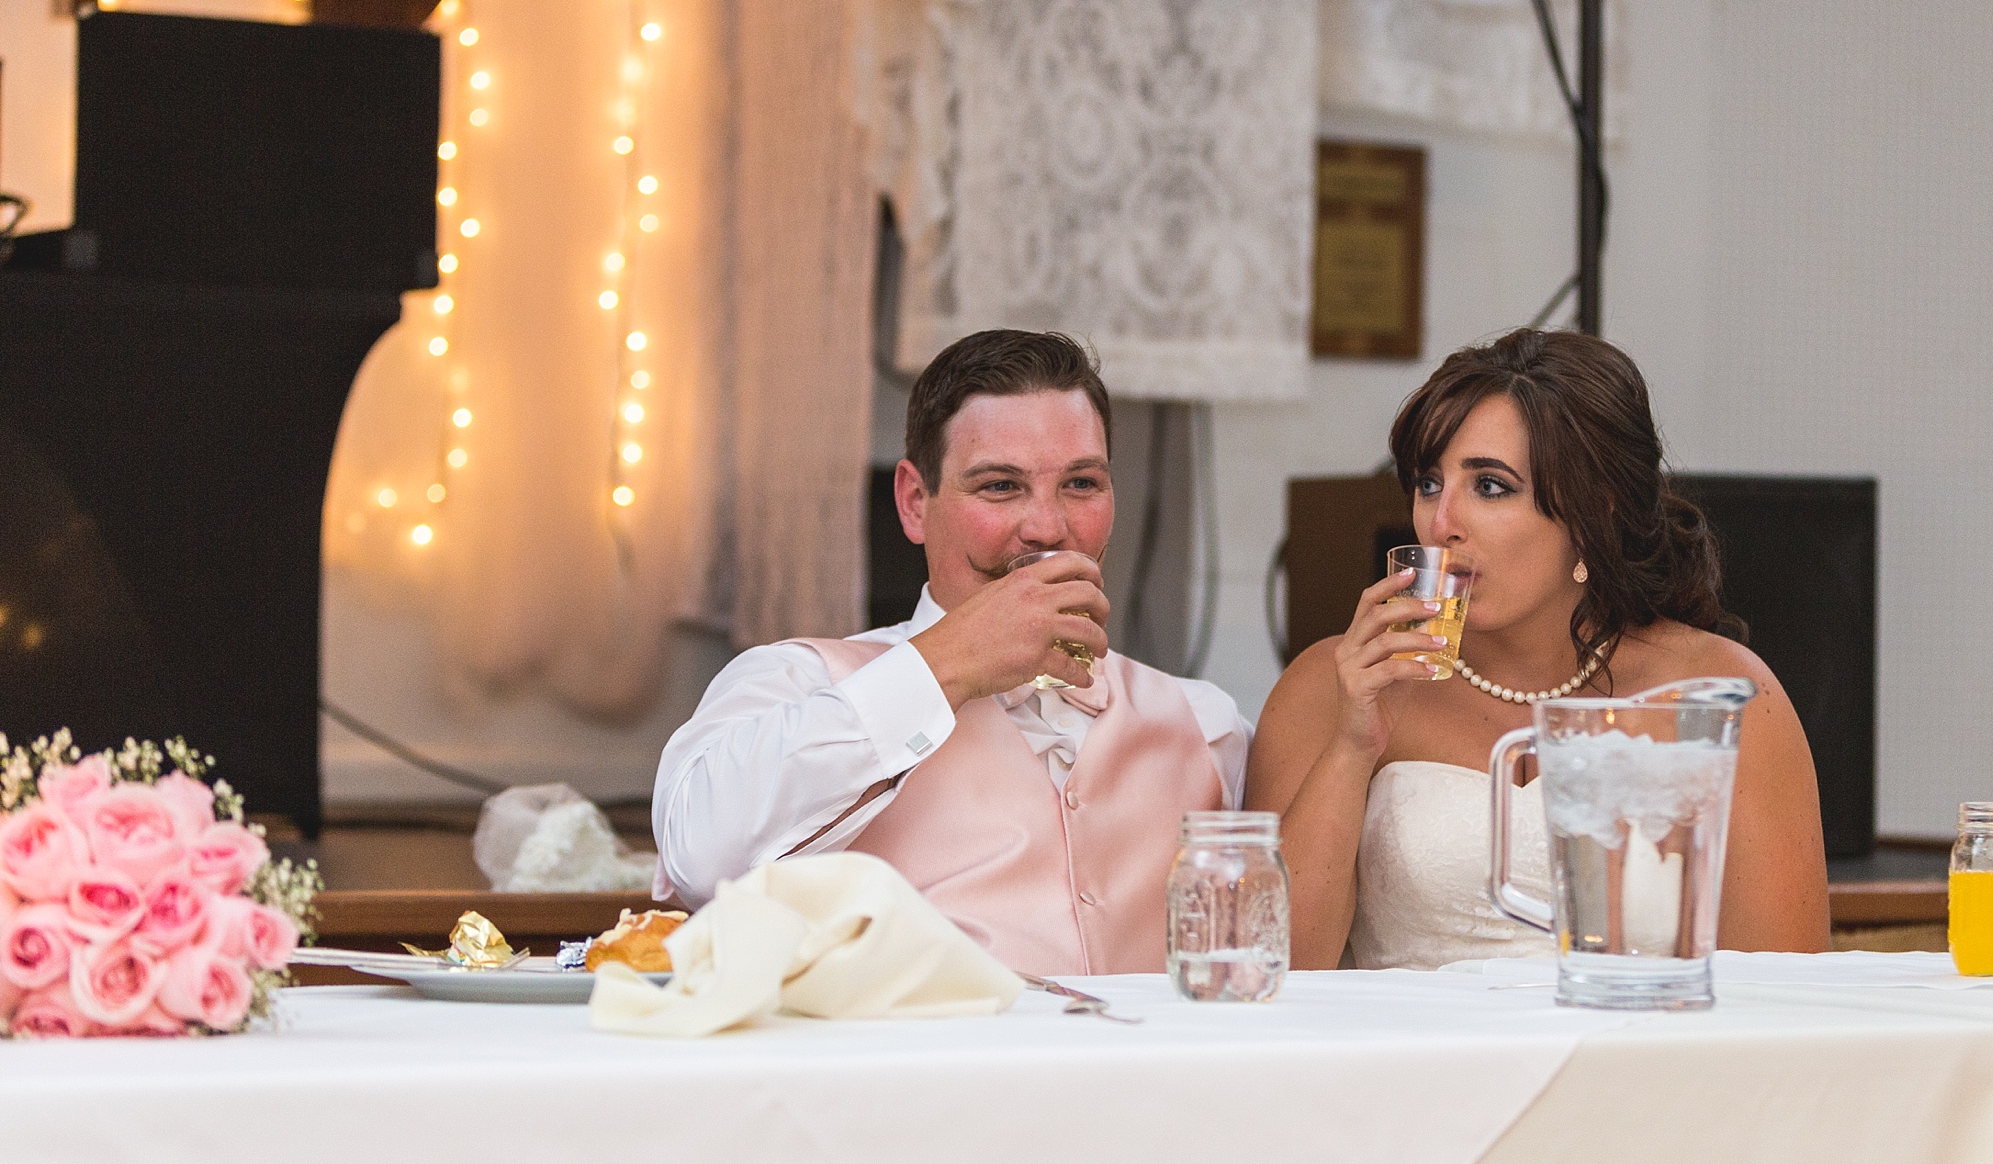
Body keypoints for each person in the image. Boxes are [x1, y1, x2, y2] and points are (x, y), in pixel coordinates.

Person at [653, 329, 1249, 975]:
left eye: (1080, 483)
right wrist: (947, 663)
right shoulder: (796, 681)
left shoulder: (1204, 722)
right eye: (999, 486)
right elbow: (699, 862)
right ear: (915, 502)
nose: (1048, 528)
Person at [1248, 329, 1830, 970]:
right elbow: (1270, 976)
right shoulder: (1331, 684)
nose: (1442, 524)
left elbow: (1789, 989)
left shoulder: (1723, 695)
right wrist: (1352, 746)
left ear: (1593, 513)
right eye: (1428, 484)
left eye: (1490, 487)